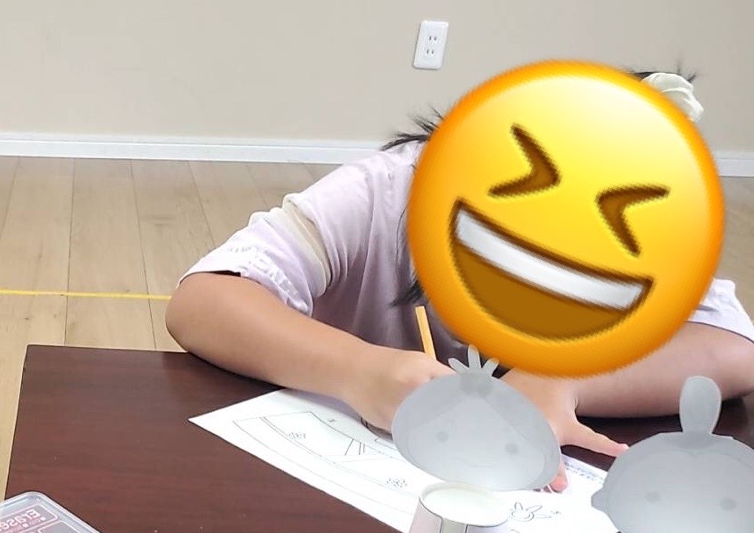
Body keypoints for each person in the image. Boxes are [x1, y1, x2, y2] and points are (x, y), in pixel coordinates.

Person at [166, 70, 754, 491]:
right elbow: (204, 299)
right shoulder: (387, 191)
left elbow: (732, 347)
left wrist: (562, 378)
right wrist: (359, 370)